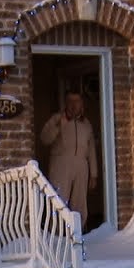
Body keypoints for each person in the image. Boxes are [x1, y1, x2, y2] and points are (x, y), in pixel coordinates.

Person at [39, 91, 98, 220]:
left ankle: (78, 232)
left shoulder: (86, 124)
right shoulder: (56, 118)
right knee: (58, 199)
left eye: (76, 101)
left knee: (80, 202)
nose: (73, 105)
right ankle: (57, 233)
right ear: (66, 103)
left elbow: (91, 149)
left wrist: (93, 174)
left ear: (81, 104)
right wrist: (60, 125)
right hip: (61, 164)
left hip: (81, 165)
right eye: (70, 101)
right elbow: (44, 138)